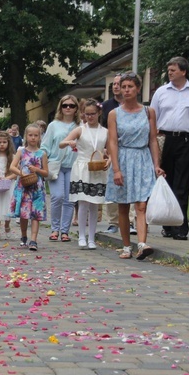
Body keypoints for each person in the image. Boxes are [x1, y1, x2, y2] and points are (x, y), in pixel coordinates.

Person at [150, 56, 189, 241]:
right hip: (165, 139)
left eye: (173, 70)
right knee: (166, 182)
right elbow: (152, 119)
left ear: (183, 71)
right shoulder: (161, 92)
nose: (170, 73)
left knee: (182, 185)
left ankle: (181, 226)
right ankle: (167, 224)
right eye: (168, 70)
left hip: (187, 140)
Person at [105, 72, 164, 260]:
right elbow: (112, 142)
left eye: (130, 86)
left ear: (138, 89)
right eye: (124, 87)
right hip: (123, 158)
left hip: (142, 158)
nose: (127, 90)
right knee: (123, 206)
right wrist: (116, 169)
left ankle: (142, 243)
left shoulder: (149, 112)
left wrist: (156, 165)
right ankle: (126, 246)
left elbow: (153, 140)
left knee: (141, 204)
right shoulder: (114, 114)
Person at [59, 99, 109, 250]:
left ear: (99, 113)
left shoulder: (105, 131)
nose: (90, 117)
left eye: (93, 114)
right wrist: (70, 143)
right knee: (83, 202)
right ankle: (81, 235)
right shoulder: (80, 129)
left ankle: (92, 237)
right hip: (82, 167)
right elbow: (62, 143)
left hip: (97, 167)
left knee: (95, 203)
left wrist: (109, 160)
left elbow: (110, 149)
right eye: (87, 114)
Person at [102, 73, 136, 236]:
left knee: (132, 187)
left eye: (119, 84)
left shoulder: (137, 107)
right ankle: (113, 221)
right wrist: (105, 149)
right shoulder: (107, 106)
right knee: (114, 186)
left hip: (133, 151)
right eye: (115, 84)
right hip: (112, 149)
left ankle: (130, 221)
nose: (116, 86)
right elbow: (104, 130)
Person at [42, 95, 79, 242]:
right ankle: (55, 229)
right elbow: (45, 146)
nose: (68, 108)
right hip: (56, 165)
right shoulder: (53, 125)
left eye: (71, 105)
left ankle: (65, 231)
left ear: (76, 108)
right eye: (65, 105)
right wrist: (44, 161)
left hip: (74, 166)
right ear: (60, 107)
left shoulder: (80, 126)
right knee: (57, 196)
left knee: (70, 200)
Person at [9, 123, 48, 251]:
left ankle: (34, 240)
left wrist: (37, 169)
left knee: (36, 214)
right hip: (24, 186)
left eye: (36, 135)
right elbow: (12, 167)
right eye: (30, 135)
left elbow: (46, 173)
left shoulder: (42, 154)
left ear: (39, 137)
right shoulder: (21, 151)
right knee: (24, 214)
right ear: (26, 136)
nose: (33, 138)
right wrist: (21, 173)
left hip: (37, 187)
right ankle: (24, 235)